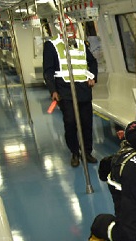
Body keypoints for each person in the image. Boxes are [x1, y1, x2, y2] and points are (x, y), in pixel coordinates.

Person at [43, 19, 98, 167]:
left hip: (83, 89)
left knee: (87, 122)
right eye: (66, 26)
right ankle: (74, 152)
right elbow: (48, 70)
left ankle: (87, 151)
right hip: (64, 89)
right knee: (70, 122)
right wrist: (53, 90)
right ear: (59, 28)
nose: (69, 29)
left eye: (70, 26)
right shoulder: (51, 45)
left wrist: (93, 77)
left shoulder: (81, 44)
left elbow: (92, 62)